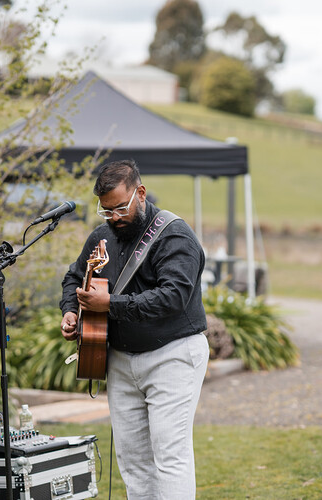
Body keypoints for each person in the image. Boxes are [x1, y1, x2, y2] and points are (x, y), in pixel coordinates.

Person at [60, 159, 209, 500]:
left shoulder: (174, 235)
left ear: (140, 193)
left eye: (120, 208)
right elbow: (73, 275)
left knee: (170, 456)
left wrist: (110, 305)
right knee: (133, 460)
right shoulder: (102, 236)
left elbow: (173, 297)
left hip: (172, 354)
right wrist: (70, 310)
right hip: (120, 359)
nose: (114, 217)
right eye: (106, 211)